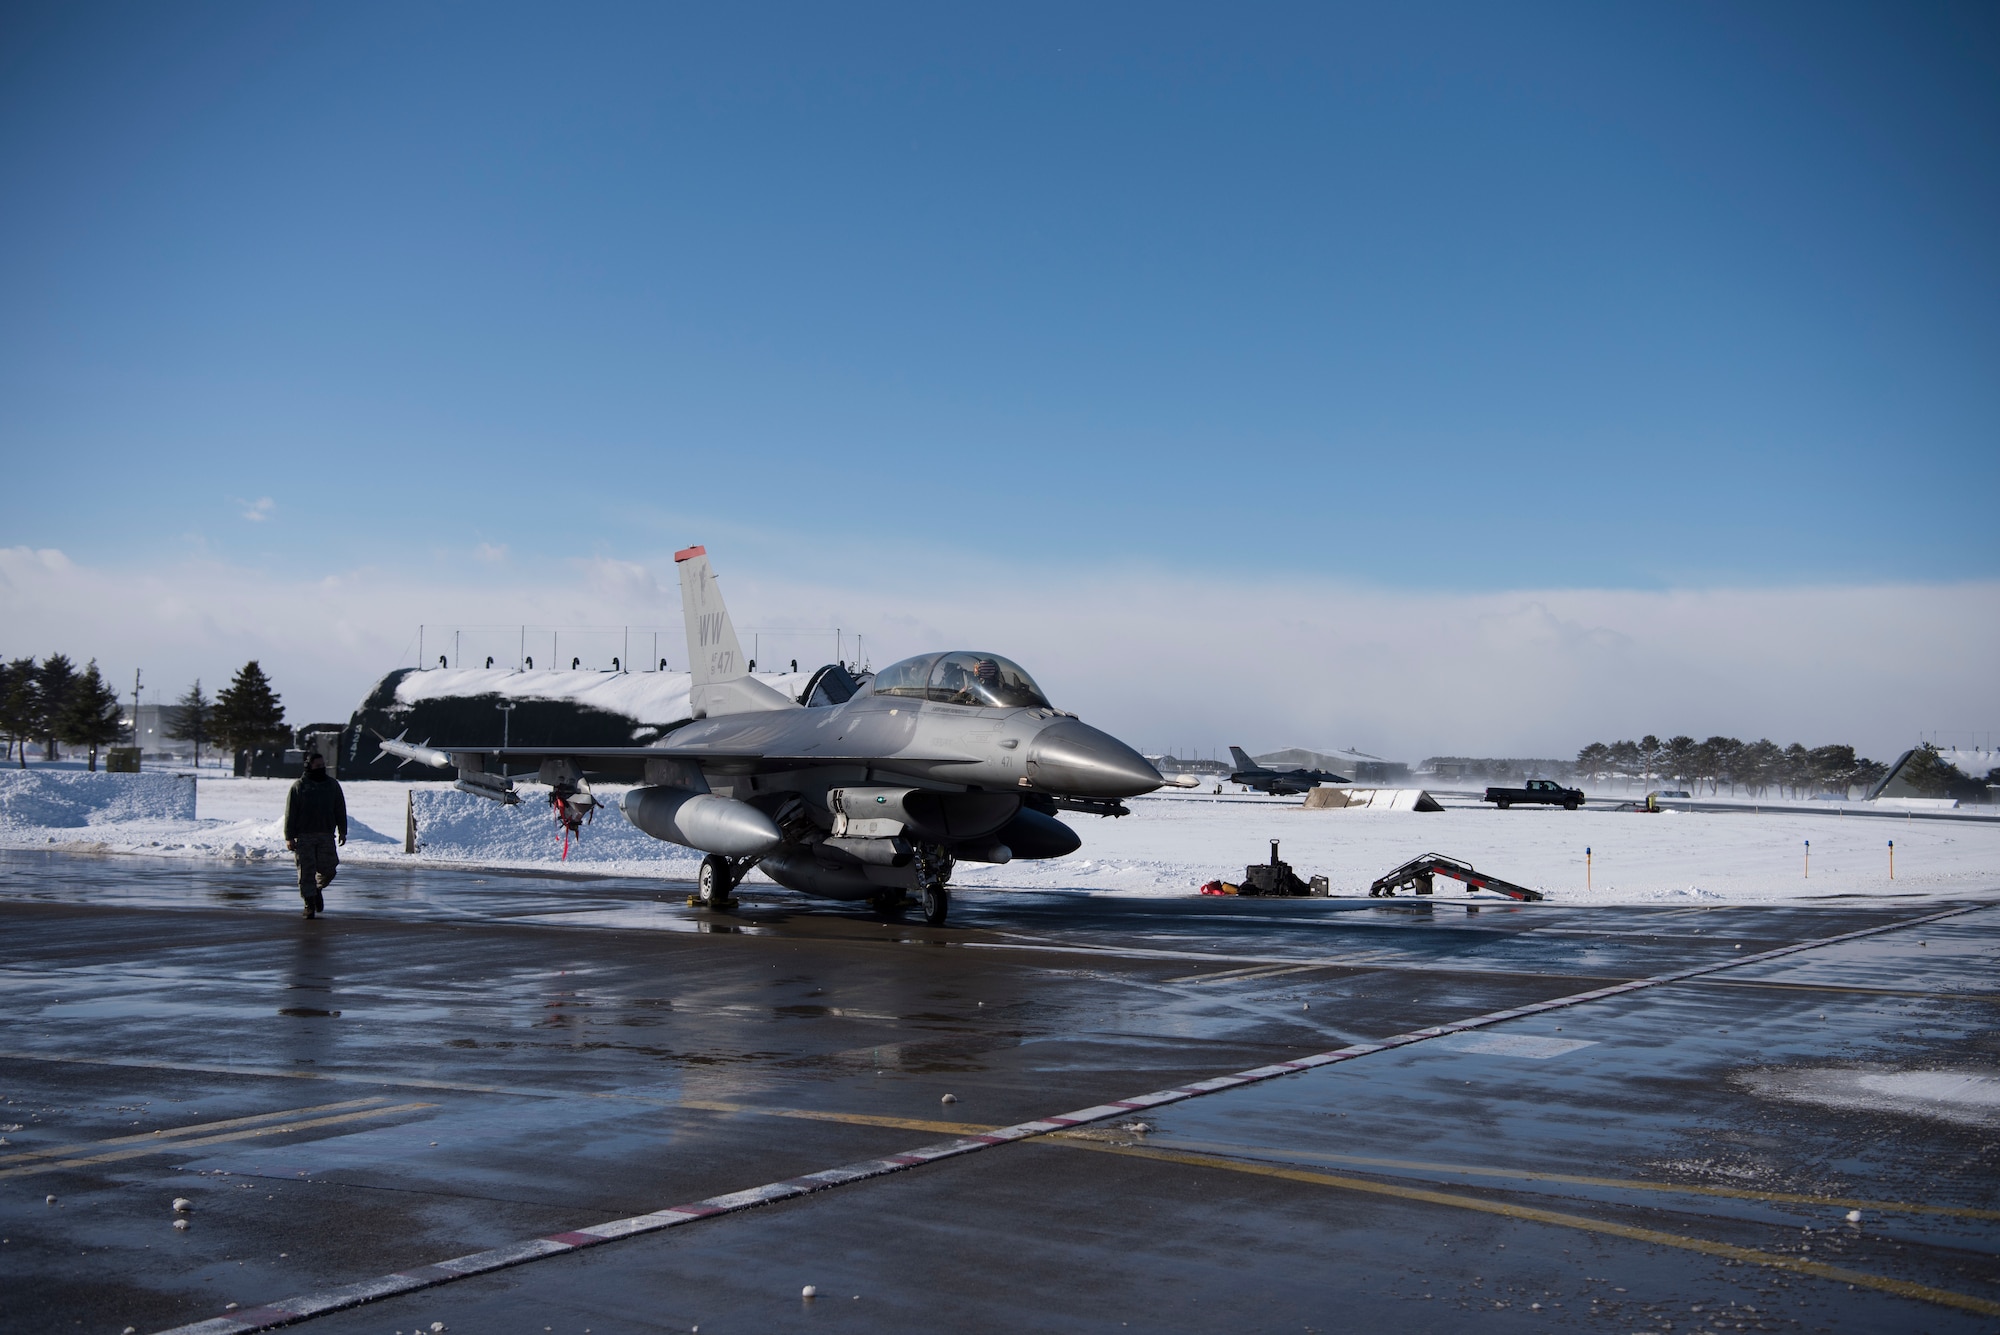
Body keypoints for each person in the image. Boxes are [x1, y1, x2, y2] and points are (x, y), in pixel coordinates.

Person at [284, 751, 347, 918]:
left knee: (329, 869)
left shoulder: (332, 785)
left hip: (326, 835)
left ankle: (317, 889)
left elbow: (339, 809)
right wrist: (289, 836)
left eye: (322, 765)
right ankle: (309, 903)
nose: (321, 768)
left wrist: (342, 831)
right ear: (309, 766)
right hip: (304, 836)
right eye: (317, 766)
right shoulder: (299, 786)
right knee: (306, 872)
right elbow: (291, 813)